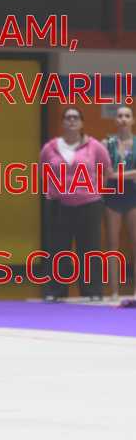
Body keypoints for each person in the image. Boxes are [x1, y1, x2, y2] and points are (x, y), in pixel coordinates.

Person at [40, 107, 113, 301]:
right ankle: (55, 292)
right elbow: (43, 171)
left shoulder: (95, 146)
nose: (71, 120)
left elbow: (107, 170)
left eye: (75, 117)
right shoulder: (50, 148)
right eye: (67, 117)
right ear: (62, 122)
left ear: (81, 123)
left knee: (89, 250)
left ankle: (92, 292)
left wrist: (97, 191)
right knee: (58, 250)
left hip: (89, 205)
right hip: (58, 206)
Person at [102, 106, 136, 301]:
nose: (123, 119)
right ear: (115, 120)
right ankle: (114, 291)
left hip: (133, 196)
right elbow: (103, 171)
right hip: (113, 197)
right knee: (112, 245)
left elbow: (113, 173)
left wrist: (116, 175)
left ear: (132, 120)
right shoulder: (107, 143)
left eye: (127, 116)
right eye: (120, 116)